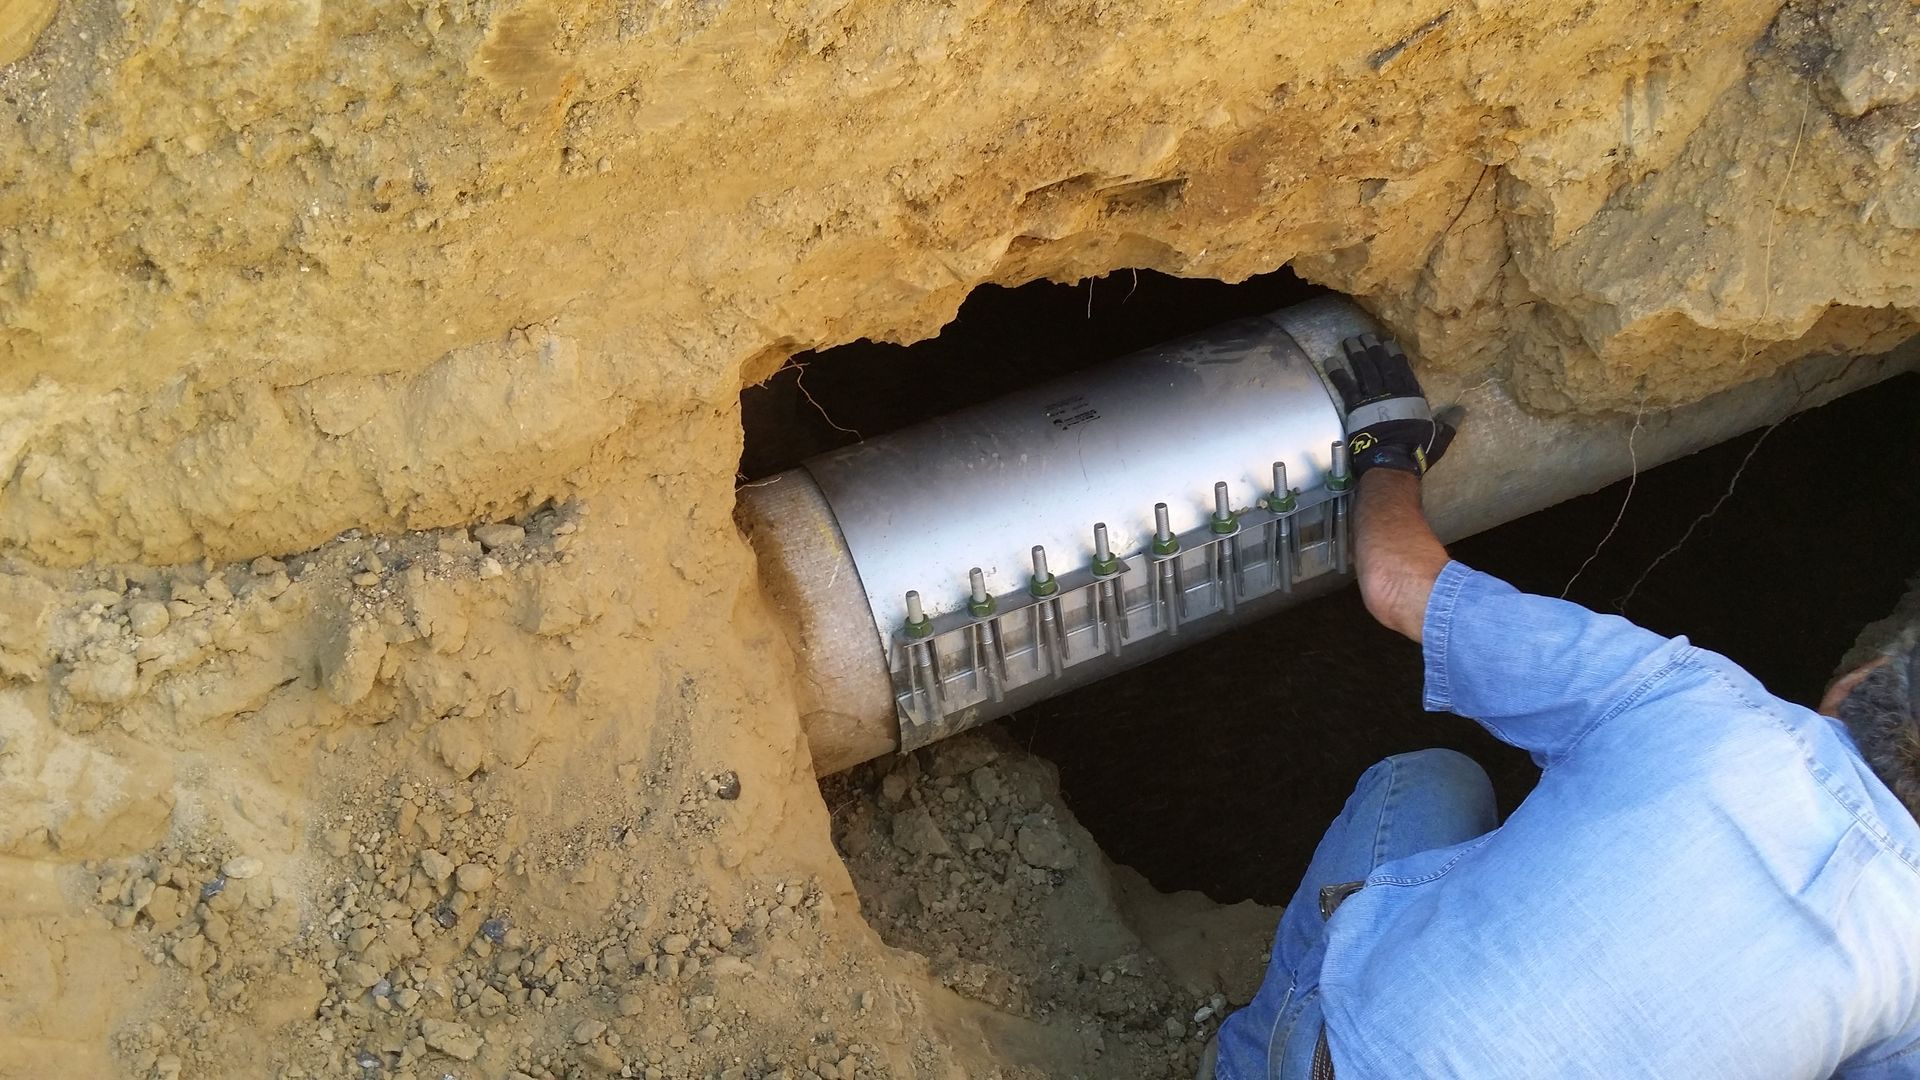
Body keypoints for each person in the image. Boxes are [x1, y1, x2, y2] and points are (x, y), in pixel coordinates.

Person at [1204, 336, 1920, 1079]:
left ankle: (1246, 1060)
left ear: (1861, 680)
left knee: (1434, 781)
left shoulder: (1695, 698)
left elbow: (1397, 583)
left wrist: (1387, 454)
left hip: (1346, 1064)